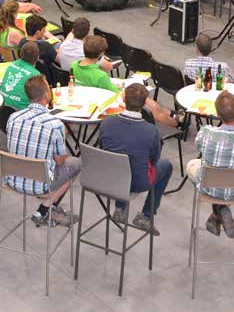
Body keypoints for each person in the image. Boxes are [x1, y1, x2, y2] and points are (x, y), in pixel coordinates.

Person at [186, 90, 234, 238]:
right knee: (232, 168)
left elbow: (198, 147)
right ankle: (220, 212)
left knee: (193, 164)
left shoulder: (207, 133)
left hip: (211, 189)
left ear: (218, 114)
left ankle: (218, 213)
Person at [6, 74, 81, 227]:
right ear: (47, 94)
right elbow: (60, 161)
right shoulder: (55, 124)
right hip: (41, 185)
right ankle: (47, 207)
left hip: (12, 178)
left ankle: (44, 210)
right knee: (74, 163)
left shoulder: (13, 117)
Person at [99, 84, 173, 234]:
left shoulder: (106, 123)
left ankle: (120, 208)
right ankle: (146, 216)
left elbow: (103, 150)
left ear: (124, 99)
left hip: (108, 178)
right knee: (166, 166)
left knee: (121, 160)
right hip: (137, 182)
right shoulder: (151, 131)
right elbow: (154, 160)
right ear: (145, 103)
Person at [184, 32, 234, 130]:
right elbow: (233, 81)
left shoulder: (188, 64)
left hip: (198, 97)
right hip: (223, 99)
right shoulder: (222, 67)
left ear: (196, 48)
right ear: (210, 48)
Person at [0, 41, 40, 110]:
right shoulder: (35, 75)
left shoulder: (12, 64)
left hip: (3, 109)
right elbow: (41, 101)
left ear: (20, 54)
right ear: (38, 57)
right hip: (22, 112)